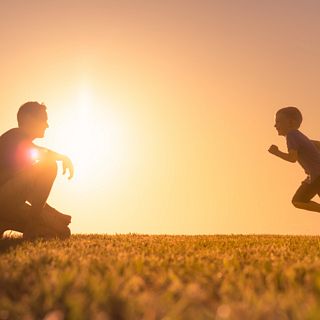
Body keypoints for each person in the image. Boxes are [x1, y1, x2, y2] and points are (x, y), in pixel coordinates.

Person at [0, 101, 73, 239]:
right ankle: (32, 224)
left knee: (61, 231)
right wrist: (62, 157)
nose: (47, 125)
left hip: (11, 205)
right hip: (3, 201)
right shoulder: (14, 136)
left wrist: (54, 214)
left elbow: (32, 194)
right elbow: (39, 153)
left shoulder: (22, 149)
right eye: (43, 119)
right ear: (28, 119)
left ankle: (4, 223)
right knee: (49, 165)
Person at [268, 106, 320, 213]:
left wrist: (276, 152)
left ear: (291, 122)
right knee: (299, 200)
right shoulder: (299, 136)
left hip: (316, 176)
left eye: (278, 121)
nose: (275, 125)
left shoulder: (291, 135)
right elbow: (316, 145)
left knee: (299, 200)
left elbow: (292, 158)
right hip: (315, 176)